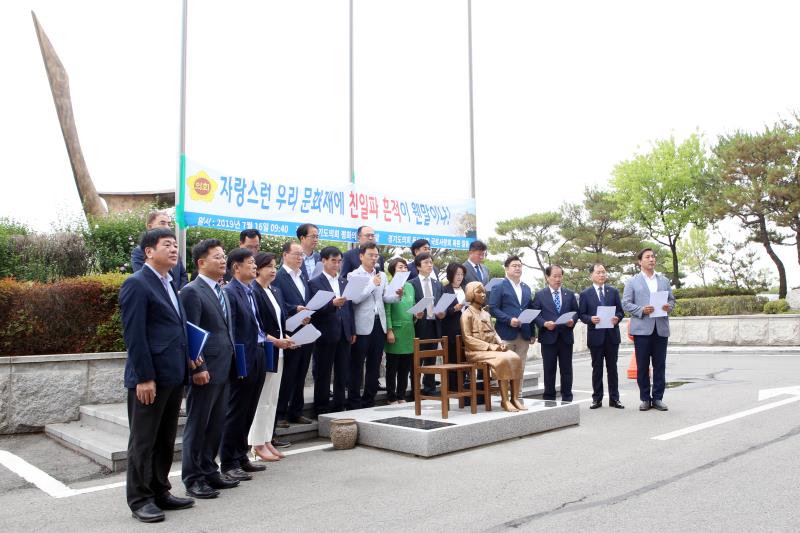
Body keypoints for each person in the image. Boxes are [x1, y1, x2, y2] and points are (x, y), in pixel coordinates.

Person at [120, 228, 195, 523]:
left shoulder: (169, 283)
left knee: (164, 438)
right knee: (143, 440)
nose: (174, 250)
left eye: (176, 245)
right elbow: (135, 336)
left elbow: (175, 329)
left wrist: (189, 359)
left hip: (173, 374)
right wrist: (144, 377)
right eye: (167, 244)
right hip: (150, 378)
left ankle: (160, 490)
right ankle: (140, 498)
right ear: (149, 251)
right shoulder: (137, 284)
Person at [179, 239, 240, 500]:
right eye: (217, 257)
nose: (223, 260)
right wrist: (198, 366)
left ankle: (209, 469)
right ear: (201, 263)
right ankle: (193, 477)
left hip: (224, 366)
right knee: (198, 423)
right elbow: (191, 332)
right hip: (205, 369)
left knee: (216, 423)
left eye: (223, 255)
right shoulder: (192, 291)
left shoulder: (221, 290)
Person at [219, 248, 269, 481]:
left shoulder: (251, 291)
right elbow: (232, 331)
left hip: (257, 352)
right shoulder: (230, 292)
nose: (254, 266)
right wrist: (237, 363)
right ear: (236, 267)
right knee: (236, 410)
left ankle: (241, 456)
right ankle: (228, 461)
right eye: (249, 262)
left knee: (249, 408)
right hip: (242, 356)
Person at [248, 252, 296, 462]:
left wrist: (283, 337)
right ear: (258, 268)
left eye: (275, 266)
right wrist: (275, 340)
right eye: (268, 266)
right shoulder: (254, 291)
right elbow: (256, 326)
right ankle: (256, 442)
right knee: (262, 399)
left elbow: (278, 321)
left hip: (279, 350)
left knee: (272, 399)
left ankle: (267, 439)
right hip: (265, 349)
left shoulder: (274, 291)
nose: (273, 270)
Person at [347, 242, 400, 409]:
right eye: (370, 255)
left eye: (376, 255)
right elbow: (354, 299)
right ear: (361, 256)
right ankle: (354, 401)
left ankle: (369, 400)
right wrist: (372, 284)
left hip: (379, 324)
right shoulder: (354, 275)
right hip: (361, 325)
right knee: (356, 364)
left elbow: (385, 298)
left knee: (374, 365)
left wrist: (397, 295)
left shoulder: (382, 275)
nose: (373, 258)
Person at [622, 248, 675, 412]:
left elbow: (672, 300)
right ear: (640, 262)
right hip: (642, 329)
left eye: (653, 256)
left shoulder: (664, 280)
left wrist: (668, 307)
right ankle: (645, 398)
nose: (652, 259)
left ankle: (658, 398)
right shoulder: (632, 282)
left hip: (660, 328)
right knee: (643, 366)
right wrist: (641, 310)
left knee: (660, 365)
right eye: (648, 257)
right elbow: (626, 303)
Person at [460, 281, 525, 412]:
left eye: (484, 292)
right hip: (475, 352)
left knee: (515, 358)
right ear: (470, 294)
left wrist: (500, 343)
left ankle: (515, 398)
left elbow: (494, 332)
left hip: (492, 349)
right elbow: (467, 339)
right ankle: (505, 400)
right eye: (479, 292)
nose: (483, 295)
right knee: (502, 360)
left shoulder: (486, 314)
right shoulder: (466, 314)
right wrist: (490, 347)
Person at [308, 246, 355, 414]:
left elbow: (349, 308)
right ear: (324, 261)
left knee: (342, 371)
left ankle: (339, 404)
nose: (337, 264)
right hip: (325, 332)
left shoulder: (344, 281)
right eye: (333, 261)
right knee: (323, 372)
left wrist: (352, 330)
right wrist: (331, 304)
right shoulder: (314, 283)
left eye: (339, 261)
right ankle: (321, 407)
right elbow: (313, 309)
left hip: (344, 332)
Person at [273, 240, 314, 427]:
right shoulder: (279, 276)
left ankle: (296, 411)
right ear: (284, 255)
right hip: (288, 331)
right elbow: (278, 302)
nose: (300, 258)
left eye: (301, 255)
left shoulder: (303, 276)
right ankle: (280, 413)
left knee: (301, 372)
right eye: (296, 254)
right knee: (287, 374)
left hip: (305, 329)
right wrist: (295, 309)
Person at [579, 263, 626, 410]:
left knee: (613, 368)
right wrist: (590, 319)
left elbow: (620, 311)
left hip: (612, 336)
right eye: (598, 272)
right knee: (597, 369)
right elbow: (581, 314)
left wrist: (617, 318)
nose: (601, 275)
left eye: (603, 272)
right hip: (596, 336)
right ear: (591, 275)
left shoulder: (613, 291)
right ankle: (597, 399)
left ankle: (614, 399)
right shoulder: (585, 294)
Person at [489, 256, 536, 392]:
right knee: (506, 366)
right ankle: (504, 396)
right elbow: (493, 309)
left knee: (520, 366)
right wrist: (509, 320)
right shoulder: (499, 286)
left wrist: (532, 333)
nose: (517, 268)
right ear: (506, 269)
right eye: (514, 266)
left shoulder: (526, 288)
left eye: (519, 266)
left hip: (524, 334)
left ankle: (517, 394)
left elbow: (530, 310)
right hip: (505, 333)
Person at [532, 265, 579, 403]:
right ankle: (549, 397)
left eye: (560, 276)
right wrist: (544, 324)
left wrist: (572, 320)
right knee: (549, 369)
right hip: (548, 337)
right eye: (555, 276)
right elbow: (536, 315)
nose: (558, 279)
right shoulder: (540, 295)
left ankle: (567, 397)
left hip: (565, 337)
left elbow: (576, 312)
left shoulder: (569, 294)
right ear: (547, 277)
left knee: (566, 369)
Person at [409, 252, 445, 395]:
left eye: (431, 262)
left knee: (431, 358)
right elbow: (408, 305)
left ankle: (429, 387)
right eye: (426, 263)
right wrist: (414, 313)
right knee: (416, 359)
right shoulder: (411, 284)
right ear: (418, 266)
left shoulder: (437, 284)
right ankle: (415, 389)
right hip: (418, 325)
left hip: (434, 324)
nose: (430, 265)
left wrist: (443, 312)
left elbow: (442, 304)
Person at [384, 258, 416, 403]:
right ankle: (391, 396)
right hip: (395, 331)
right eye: (400, 267)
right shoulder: (389, 286)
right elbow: (387, 311)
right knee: (392, 367)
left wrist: (417, 315)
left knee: (405, 367)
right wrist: (389, 330)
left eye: (405, 267)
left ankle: (401, 395)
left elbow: (413, 306)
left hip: (409, 330)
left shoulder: (410, 286)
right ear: (393, 270)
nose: (404, 270)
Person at [130, 210, 188, 291]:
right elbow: (145, 277)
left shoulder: (173, 249)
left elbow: (183, 275)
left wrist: (180, 293)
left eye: (169, 224)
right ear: (149, 227)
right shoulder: (139, 252)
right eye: (162, 223)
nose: (167, 227)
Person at [441, 262, 467, 392]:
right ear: (451, 274)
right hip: (451, 329)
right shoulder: (444, 290)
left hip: (466, 329)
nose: (460, 277)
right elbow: (441, 312)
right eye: (457, 274)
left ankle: (463, 384)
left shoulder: (465, 289)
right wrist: (454, 309)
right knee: (452, 357)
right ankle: (452, 386)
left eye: (462, 274)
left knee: (464, 357)